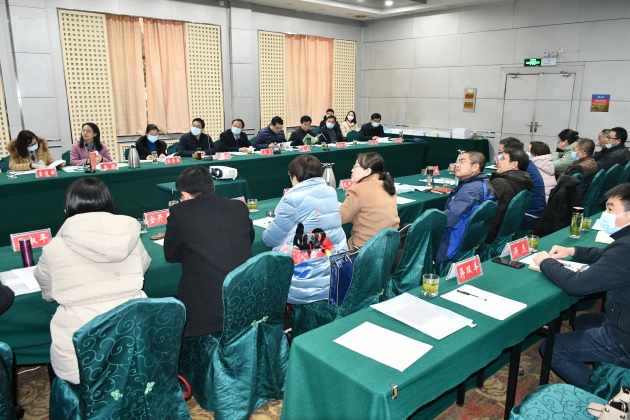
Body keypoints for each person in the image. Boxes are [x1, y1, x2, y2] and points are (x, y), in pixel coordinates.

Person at [33, 178, 150, 384]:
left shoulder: (54, 248)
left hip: (83, 356)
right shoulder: (130, 238)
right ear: (109, 203)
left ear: (69, 208)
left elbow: (48, 291)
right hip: (134, 342)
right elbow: (144, 266)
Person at [533, 183, 630, 390]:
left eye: (610, 209)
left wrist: (545, 262)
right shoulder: (624, 243)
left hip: (625, 337)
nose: (605, 214)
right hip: (622, 316)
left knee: (552, 348)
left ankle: (603, 395)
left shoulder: (626, 248)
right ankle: (610, 369)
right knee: (583, 322)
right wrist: (572, 251)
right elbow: (608, 255)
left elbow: (575, 285)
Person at [164, 166, 254, 337]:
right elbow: (249, 239)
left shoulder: (179, 212)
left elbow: (171, 254)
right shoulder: (238, 207)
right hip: (245, 299)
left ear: (185, 194)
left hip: (208, 313)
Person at [262, 155, 347, 304]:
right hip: (336, 274)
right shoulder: (331, 191)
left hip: (305, 281)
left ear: (294, 176)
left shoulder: (292, 199)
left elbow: (270, 239)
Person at [436, 151, 495, 264]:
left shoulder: (469, 191)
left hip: (451, 246)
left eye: (462, 162)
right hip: (470, 244)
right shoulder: (484, 183)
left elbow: (449, 220)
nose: (457, 165)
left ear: (475, 167)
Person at [340, 152, 399, 248]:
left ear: (367, 171)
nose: (352, 170)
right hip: (391, 246)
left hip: (366, 249)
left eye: (355, 166)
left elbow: (340, 218)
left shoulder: (358, 190)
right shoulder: (387, 185)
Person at [486, 148, 533, 244]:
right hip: (506, 234)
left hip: (492, 237)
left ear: (514, 164)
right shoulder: (522, 180)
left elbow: (493, 215)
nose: (499, 162)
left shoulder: (500, 183)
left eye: (503, 158)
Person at [499, 137, 546, 231]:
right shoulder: (527, 163)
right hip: (536, 213)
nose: (499, 158)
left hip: (528, 216)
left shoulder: (522, 170)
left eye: (502, 155)